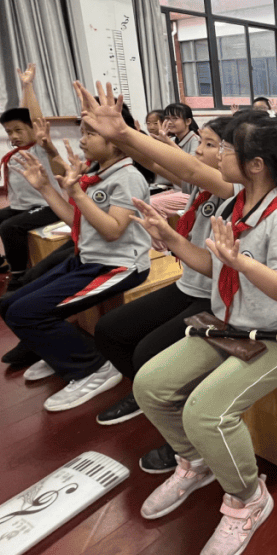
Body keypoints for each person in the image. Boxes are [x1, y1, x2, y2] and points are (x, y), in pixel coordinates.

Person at [131, 111, 277, 555]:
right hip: (233, 323)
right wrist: (170, 240)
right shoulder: (234, 203)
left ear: (255, 164)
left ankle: (248, 497)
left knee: (206, 411)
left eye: (226, 148)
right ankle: (196, 464)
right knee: (149, 384)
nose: (215, 154)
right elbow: (214, 267)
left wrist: (243, 263)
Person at [76, 90, 236, 441]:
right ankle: (147, 397)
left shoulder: (231, 186)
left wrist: (122, 133)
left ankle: (177, 421)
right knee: (109, 330)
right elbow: (159, 165)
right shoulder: (200, 186)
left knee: (149, 351)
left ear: (231, 155)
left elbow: (187, 166)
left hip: (215, 297)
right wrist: (124, 135)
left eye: (209, 145)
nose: (198, 150)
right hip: (189, 285)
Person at [0, 87, 152, 412]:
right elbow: (76, 219)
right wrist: (45, 188)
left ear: (115, 139)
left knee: (26, 312)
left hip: (119, 266)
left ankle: (92, 368)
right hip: (88, 259)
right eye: (83, 132)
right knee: (11, 303)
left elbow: (113, 232)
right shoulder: (96, 173)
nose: (82, 140)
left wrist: (77, 194)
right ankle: (59, 355)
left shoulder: (127, 178)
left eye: (90, 134)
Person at [0, 65, 64, 286]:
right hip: (21, 207)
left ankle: (18, 275)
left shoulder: (40, 147)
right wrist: (23, 90)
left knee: (10, 228)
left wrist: (28, 86)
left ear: (33, 131)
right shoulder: (16, 152)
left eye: (18, 130)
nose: (13, 136)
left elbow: (34, 119)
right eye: (9, 132)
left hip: (47, 207)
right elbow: (23, 116)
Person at [150, 103, 201, 217]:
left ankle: (163, 234)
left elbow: (190, 164)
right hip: (177, 189)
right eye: (167, 118)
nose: (170, 122)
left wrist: (167, 142)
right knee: (144, 202)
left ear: (188, 121)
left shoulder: (195, 140)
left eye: (175, 118)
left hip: (191, 192)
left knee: (153, 204)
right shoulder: (172, 139)